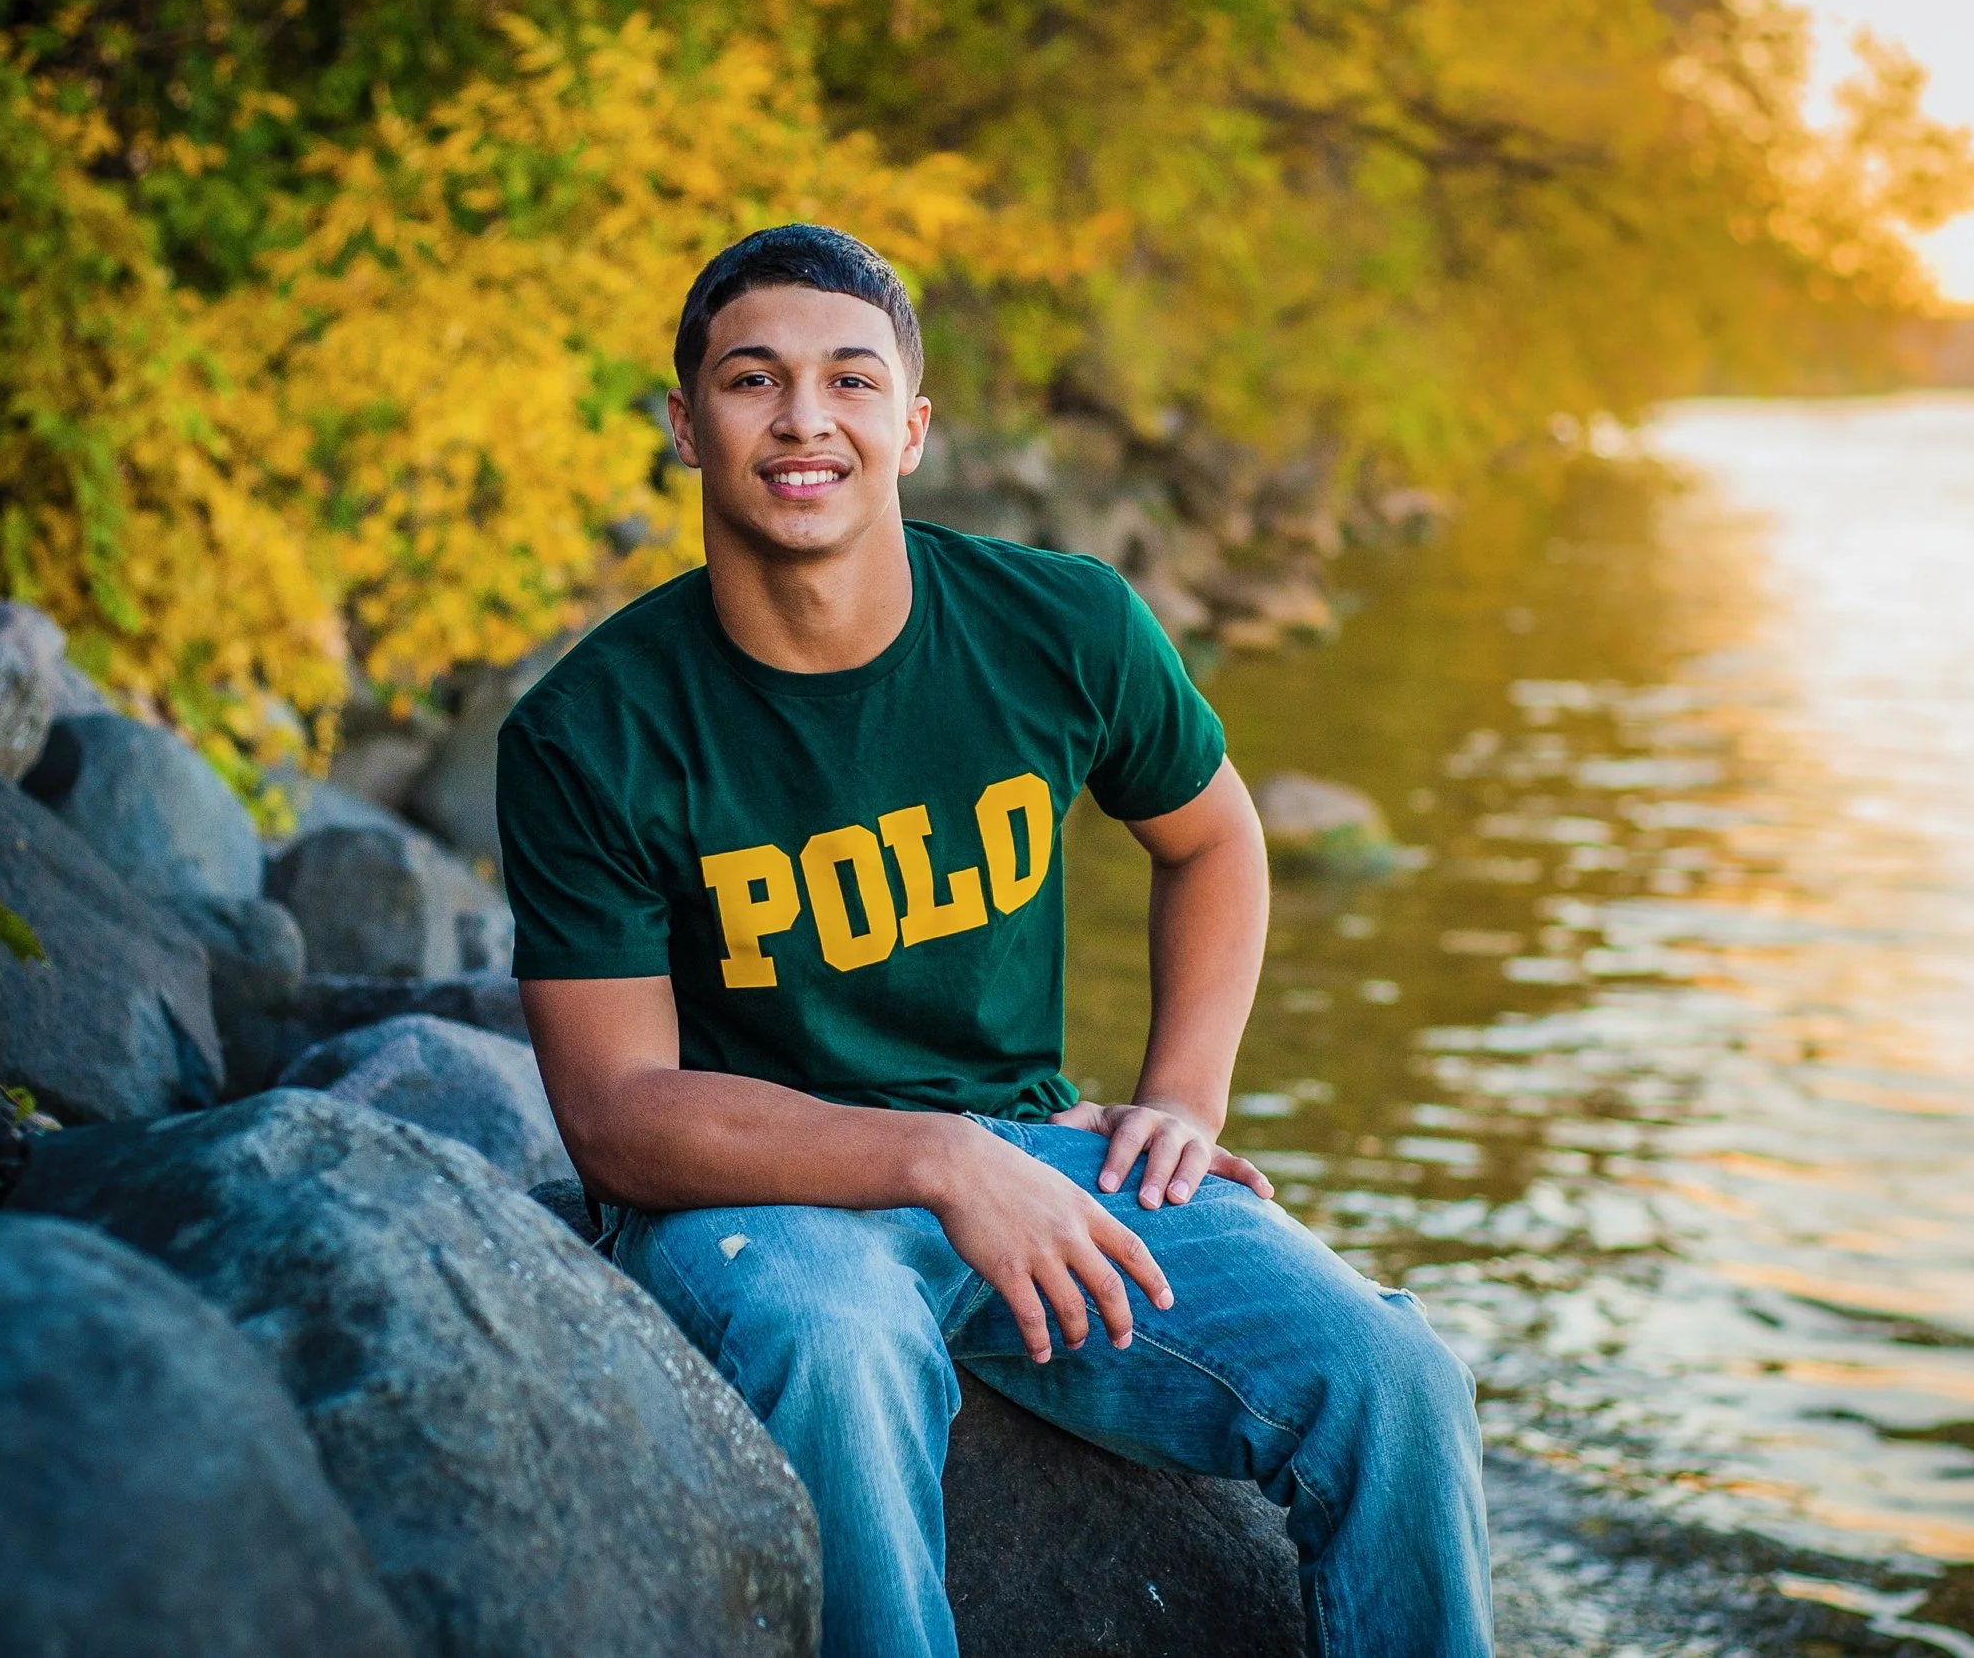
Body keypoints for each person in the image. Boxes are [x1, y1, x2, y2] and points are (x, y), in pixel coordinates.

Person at [496, 224, 1492, 1657]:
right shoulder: (590, 730)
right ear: (686, 425)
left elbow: (1214, 839)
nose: (804, 419)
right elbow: (616, 1116)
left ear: (911, 429)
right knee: (838, 1349)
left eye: (851, 381)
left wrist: (1184, 1099)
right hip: (759, 1202)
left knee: (1392, 1375)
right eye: (753, 380)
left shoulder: (1060, 625)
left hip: (1034, 1153)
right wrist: (938, 1158)